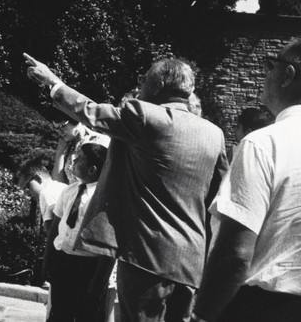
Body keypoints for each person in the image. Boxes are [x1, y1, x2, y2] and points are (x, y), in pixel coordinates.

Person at [24, 53, 228, 322]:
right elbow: (219, 196)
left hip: (146, 259)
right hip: (191, 261)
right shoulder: (214, 133)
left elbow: (90, 111)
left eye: (144, 81)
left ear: (158, 86)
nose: (141, 87)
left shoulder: (145, 116)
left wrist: (52, 81)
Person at [193, 39, 301, 322]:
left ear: (288, 75)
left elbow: (236, 253)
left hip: (267, 308)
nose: (265, 75)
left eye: (269, 66)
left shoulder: (264, 143)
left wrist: (201, 316)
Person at [45, 142, 116, 322]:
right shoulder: (69, 191)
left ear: (92, 169)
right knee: (59, 313)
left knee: (85, 315)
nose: (74, 161)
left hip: (87, 267)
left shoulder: (105, 197)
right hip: (63, 261)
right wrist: (48, 260)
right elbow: (55, 226)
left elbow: (110, 242)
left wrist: (100, 277)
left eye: (79, 159)